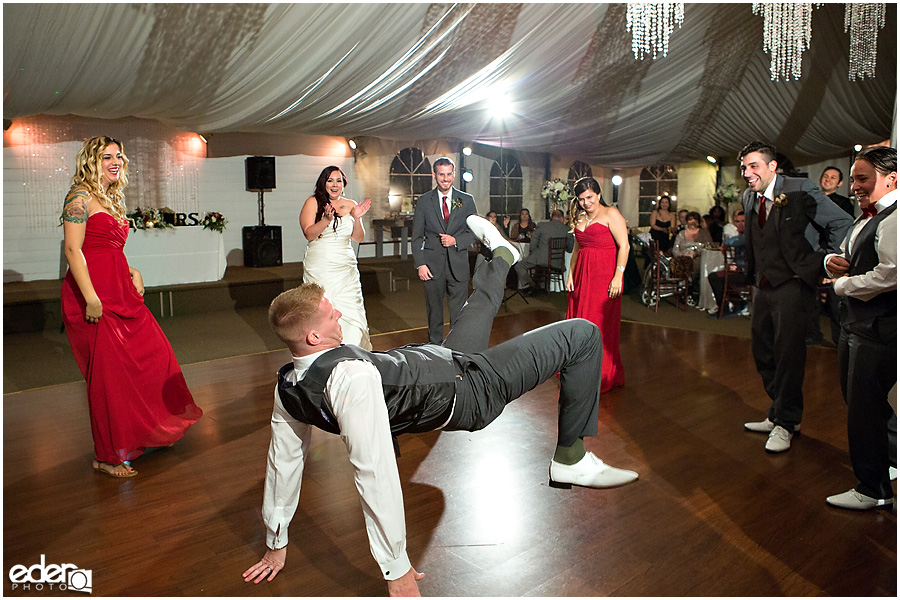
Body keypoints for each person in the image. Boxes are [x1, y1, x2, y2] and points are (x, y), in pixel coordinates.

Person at [242, 215, 638, 595]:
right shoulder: (351, 381)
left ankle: (501, 254)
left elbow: (282, 463)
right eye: (331, 316)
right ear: (313, 337)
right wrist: (395, 567)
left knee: (479, 304)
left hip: (441, 360)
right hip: (469, 391)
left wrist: (277, 540)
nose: (339, 313)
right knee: (583, 334)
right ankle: (570, 456)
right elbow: (373, 472)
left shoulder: (289, 384)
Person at [60, 136, 202, 478]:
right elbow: (73, 251)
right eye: (107, 157)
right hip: (92, 295)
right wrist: (92, 297)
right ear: (91, 161)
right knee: (109, 377)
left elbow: (109, 250)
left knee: (155, 356)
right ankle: (107, 456)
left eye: (119, 157)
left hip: (119, 290)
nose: (115, 162)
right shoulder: (79, 196)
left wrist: (131, 270)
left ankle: (155, 427)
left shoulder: (108, 199)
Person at [739, 141, 852, 453]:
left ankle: (787, 422)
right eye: (744, 167)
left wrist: (823, 261)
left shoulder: (800, 188)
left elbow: (841, 222)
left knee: (788, 353)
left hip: (793, 283)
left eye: (754, 166)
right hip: (762, 284)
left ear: (773, 166)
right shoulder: (749, 196)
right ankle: (779, 410)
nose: (747, 173)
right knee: (762, 349)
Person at [823, 146, 897, 510]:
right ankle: (887, 465)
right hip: (854, 322)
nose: (854, 185)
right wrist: (829, 260)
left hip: (877, 325)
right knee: (858, 401)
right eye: (852, 178)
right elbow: (845, 251)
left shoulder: (894, 218)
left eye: (862, 178)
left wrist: (841, 286)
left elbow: (890, 274)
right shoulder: (867, 216)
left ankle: (873, 489)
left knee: (865, 408)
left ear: (891, 178)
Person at [565, 177, 628, 393]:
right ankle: (579, 369)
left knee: (599, 323)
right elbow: (576, 249)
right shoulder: (580, 216)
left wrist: (618, 276)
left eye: (590, 197)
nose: (586, 202)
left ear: (599, 194)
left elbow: (625, 246)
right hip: (583, 276)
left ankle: (600, 373)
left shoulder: (611, 214)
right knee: (579, 322)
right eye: (581, 199)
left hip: (604, 277)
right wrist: (571, 273)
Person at [300, 166, 372, 349]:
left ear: (343, 184)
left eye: (338, 180)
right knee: (323, 308)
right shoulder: (313, 202)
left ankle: (352, 350)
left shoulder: (350, 204)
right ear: (323, 183)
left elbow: (358, 237)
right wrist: (325, 220)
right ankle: (324, 350)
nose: (334, 184)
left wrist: (356, 218)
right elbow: (309, 234)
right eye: (330, 180)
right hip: (321, 263)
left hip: (345, 265)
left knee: (351, 310)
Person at [412, 157, 477, 344]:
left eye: (449, 174)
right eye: (441, 174)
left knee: (459, 314)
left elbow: (473, 232)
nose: (446, 178)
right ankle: (435, 350)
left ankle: (457, 349)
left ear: (454, 174)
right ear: (434, 175)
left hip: (458, 266)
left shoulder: (467, 200)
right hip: (432, 266)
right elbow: (416, 237)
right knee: (434, 312)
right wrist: (421, 264)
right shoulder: (424, 201)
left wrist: (456, 240)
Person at [514, 209, 574, 294]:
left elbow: (533, 243)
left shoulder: (542, 225)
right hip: (558, 262)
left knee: (519, 266)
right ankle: (537, 286)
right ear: (562, 218)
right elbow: (570, 249)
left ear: (551, 217)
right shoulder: (568, 229)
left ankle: (532, 285)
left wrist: (532, 254)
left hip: (541, 258)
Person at [708, 210, 747, 315]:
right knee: (718, 276)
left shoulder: (749, 236)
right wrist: (734, 263)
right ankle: (737, 303)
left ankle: (724, 308)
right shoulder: (741, 236)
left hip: (749, 272)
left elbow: (735, 242)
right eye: (738, 221)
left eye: (743, 221)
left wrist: (725, 242)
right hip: (740, 270)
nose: (740, 224)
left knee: (716, 278)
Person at [672, 211, 713, 279]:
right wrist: (683, 256)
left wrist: (694, 254)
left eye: (695, 220)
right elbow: (675, 250)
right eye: (690, 219)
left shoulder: (704, 233)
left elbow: (708, 246)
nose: (692, 222)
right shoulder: (681, 233)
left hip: (699, 259)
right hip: (683, 260)